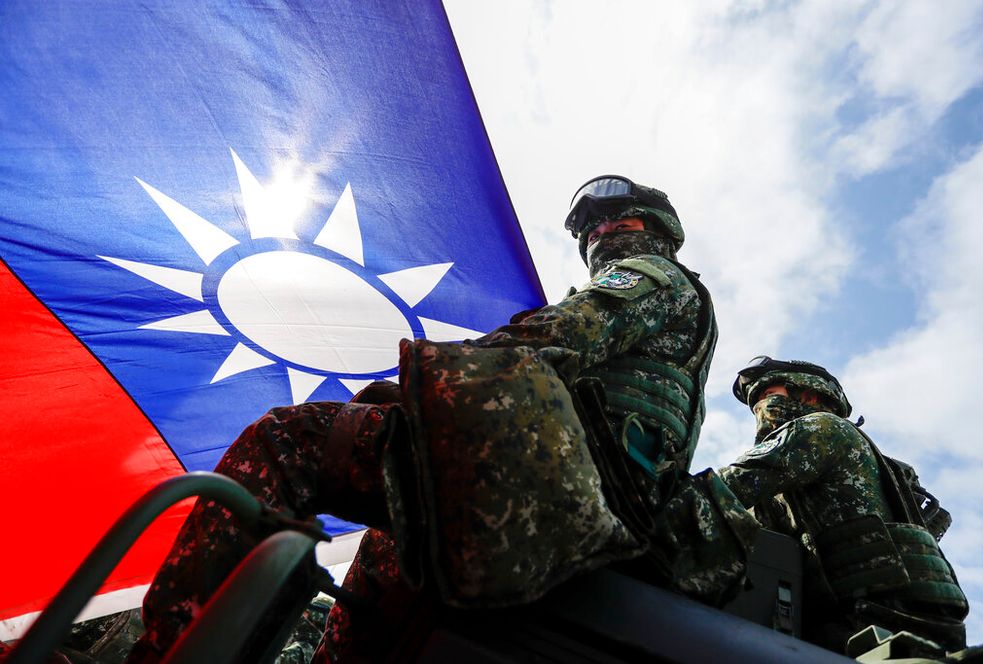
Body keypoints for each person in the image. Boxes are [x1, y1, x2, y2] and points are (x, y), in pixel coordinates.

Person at [127, 176, 720, 662]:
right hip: (582, 499)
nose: (603, 233)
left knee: (290, 441)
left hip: (564, 485)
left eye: (621, 220)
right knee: (397, 541)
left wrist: (420, 391)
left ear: (660, 232)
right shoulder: (686, 316)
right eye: (594, 227)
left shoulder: (654, 278)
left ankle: (162, 652)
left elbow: (553, 335)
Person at [718, 356, 969, 655]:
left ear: (809, 394)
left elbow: (729, 487)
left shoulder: (822, 428)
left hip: (868, 620)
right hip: (863, 622)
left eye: (768, 395)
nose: (762, 407)